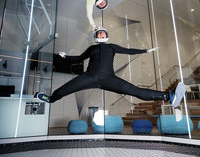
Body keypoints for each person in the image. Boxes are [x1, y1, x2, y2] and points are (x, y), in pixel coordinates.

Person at [37, 28, 186, 107]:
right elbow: (79, 58)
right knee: (64, 89)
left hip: (109, 79)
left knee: (134, 90)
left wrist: (145, 50)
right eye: (99, 33)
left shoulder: (112, 47)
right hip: (89, 77)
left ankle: (168, 97)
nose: (101, 33)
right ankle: (51, 99)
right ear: (97, 36)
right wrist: (65, 57)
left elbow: (128, 51)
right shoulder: (91, 48)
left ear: (106, 36)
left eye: (103, 33)